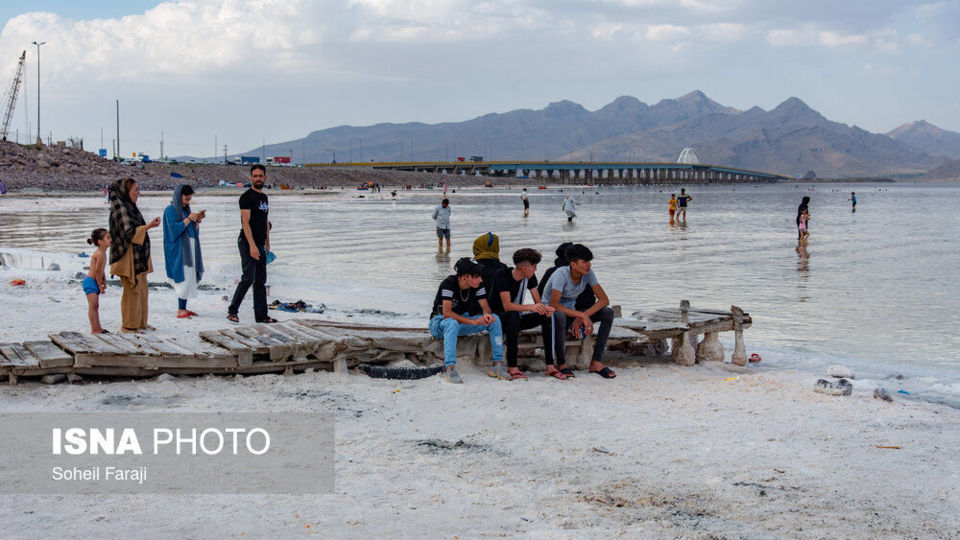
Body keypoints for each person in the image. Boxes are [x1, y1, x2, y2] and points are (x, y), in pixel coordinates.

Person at [541, 244, 616, 379]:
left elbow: (604, 300)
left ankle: (596, 362)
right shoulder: (560, 274)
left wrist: (583, 316)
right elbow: (554, 305)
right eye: (584, 262)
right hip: (550, 314)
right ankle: (562, 364)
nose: (589, 265)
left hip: (572, 312)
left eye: (589, 261)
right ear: (573, 265)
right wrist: (581, 315)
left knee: (608, 313)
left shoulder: (588, 274)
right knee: (559, 316)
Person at [428, 257, 506, 383]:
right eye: (476, 276)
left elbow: (485, 307)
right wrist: (473, 322)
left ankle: (497, 365)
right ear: (464, 278)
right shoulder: (448, 284)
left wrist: (486, 315)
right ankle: (450, 368)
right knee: (452, 323)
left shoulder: (478, 285)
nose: (480, 279)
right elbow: (447, 313)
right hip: (440, 323)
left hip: (462, 322)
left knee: (495, 319)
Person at [491, 248, 557, 380]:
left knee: (545, 316)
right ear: (525, 268)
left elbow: (537, 302)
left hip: (515, 317)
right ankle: (513, 366)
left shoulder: (530, 277)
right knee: (513, 315)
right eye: (534, 266)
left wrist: (545, 309)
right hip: (499, 319)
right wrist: (532, 307)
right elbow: (507, 306)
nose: (536, 270)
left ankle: (550, 365)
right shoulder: (503, 274)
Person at [108, 178, 161, 333]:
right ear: (126, 191)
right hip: (127, 256)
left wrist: (147, 227)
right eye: (135, 190)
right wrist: (149, 226)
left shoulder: (130, 207)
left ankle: (140, 322)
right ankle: (128, 325)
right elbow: (129, 233)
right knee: (132, 290)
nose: (138, 193)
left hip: (138, 256)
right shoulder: (121, 208)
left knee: (142, 289)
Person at [227, 164, 276, 324]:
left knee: (261, 280)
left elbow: (265, 222)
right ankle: (232, 311)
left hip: (260, 244)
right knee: (248, 277)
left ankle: (261, 316)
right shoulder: (246, 197)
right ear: (251, 178)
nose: (258, 178)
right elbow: (245, 223)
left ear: (265, 178)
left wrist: (267, 243)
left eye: (260, 176)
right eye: (255, 176)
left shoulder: (264, 198)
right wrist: (253, 246)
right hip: (247, 242)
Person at [163, 184, 205, 319]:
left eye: (189, 199)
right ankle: (180, 309)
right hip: (179, 250)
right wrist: (189, 219)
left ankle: (183, 308)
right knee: (184, 277)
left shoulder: (186, 210)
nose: (188, 202)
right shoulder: (170, 210)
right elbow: (173, 231)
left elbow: (191, 231)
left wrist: (197, 221)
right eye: (186, 199)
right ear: (178, 196)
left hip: (190, 249)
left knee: (190, 276)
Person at [83, 228, 111, 334]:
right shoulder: (99, 253)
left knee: (96, 306)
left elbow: (101, 270)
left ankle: (98, 327)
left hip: (95, 280)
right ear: (100, 242)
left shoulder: (103, 253)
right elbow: (97, 271)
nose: (110, 240)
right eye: (108, 238)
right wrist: (100, 285)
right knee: (93, 305)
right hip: (90, 281)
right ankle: (94, 329)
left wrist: (104, 279)